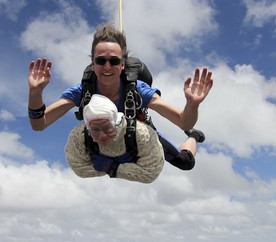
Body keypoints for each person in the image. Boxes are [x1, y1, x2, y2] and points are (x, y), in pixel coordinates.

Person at [28, 23, 213, 170]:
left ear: (123, 64)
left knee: (185, 163)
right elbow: (39, 124)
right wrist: (35, 93)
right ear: (93, 64)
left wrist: (192, 104)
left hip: (136, 133)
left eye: (114, 61)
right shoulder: (83, 91)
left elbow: (184, 122)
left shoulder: (137, 90)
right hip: (103, 138)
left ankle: (194, 138)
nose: (107, 67)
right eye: (101, 61)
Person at [65, 94, 164, 183]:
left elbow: (151, 172)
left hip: (141, 142)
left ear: (116, 123)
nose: (102, 135)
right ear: (88, 128)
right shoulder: (78, 136)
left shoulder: (141, 133)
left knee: (176, 158)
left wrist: (113, 168)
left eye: (107, 128)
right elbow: (79, 169)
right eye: (95, 130)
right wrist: (123, 168)